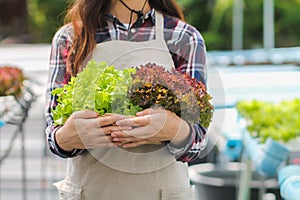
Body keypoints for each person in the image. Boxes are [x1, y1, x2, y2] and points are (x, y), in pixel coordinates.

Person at [45, 0, 208, 199]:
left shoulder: (183, 38)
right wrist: (66, 137)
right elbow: (54, 134)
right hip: (91, 192)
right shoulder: (70, 37)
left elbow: (198, 140)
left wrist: (172, 128)